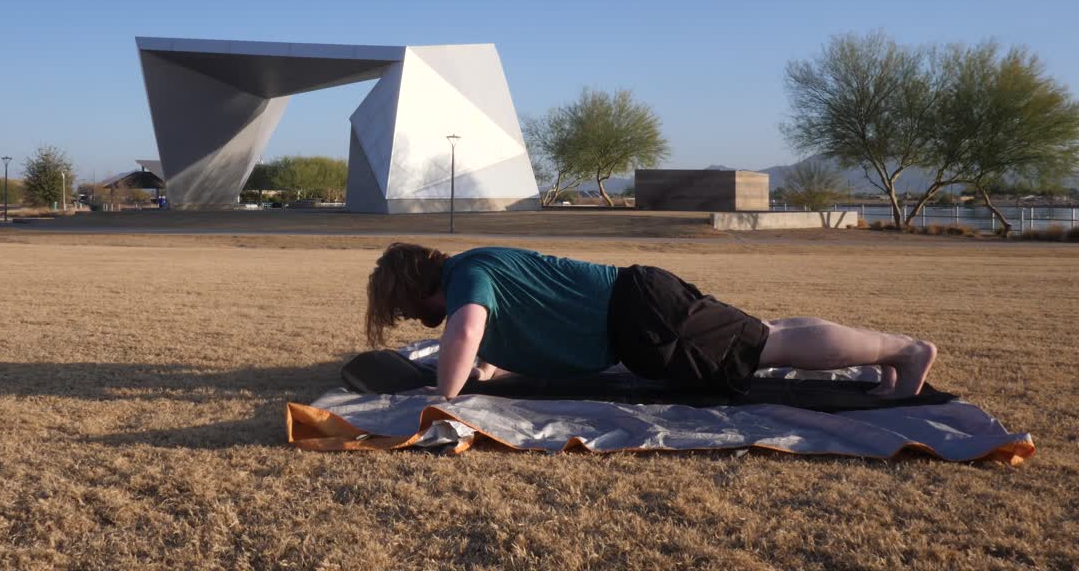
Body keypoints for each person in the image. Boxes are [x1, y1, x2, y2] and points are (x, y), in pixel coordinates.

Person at [365, 243, 937, 401]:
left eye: (411, 310)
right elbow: (487, 334)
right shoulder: (477, 264)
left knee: (768, 345)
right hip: (640, 303)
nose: (418, 320)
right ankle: (887, 356)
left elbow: (464, 330)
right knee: (768, 330)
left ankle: (905, 353)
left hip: (641, 315)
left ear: (420, 287)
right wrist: (484, 368)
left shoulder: (466, 281)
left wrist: (444, 392)